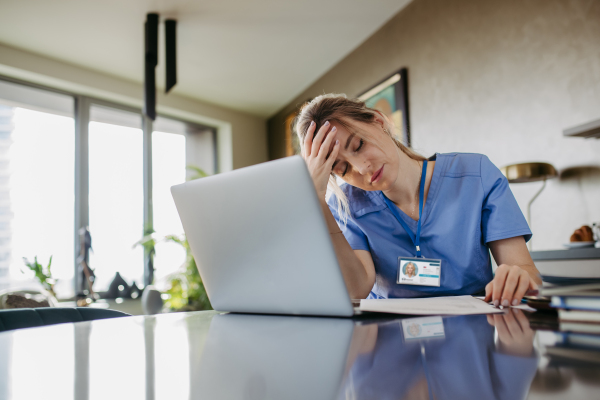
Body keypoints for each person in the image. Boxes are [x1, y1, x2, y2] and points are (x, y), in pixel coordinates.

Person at [295, 94, 541, 306]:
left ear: (379, 122)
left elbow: (526, 271)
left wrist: (518, 278)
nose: (361, 168)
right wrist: (316, 200)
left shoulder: (476, 175)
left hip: (470, 340)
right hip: (390, 347)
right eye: (342, 169)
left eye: (358, 145)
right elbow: (355, 291)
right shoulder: (347, 207)